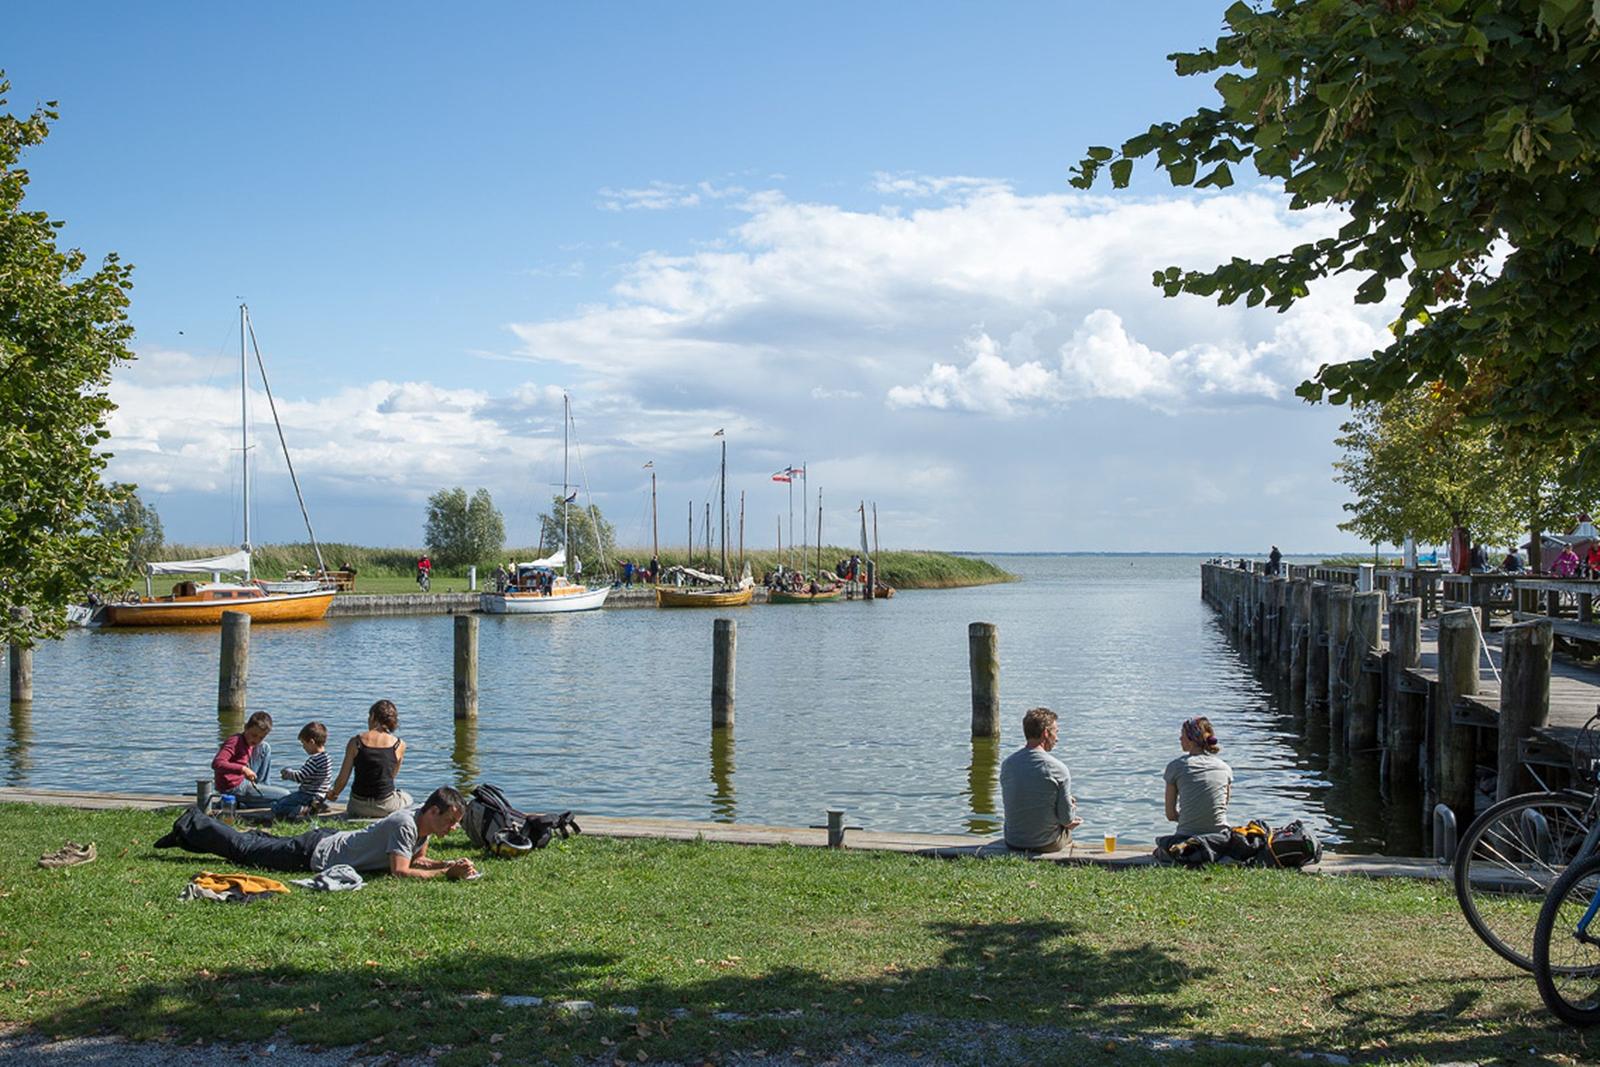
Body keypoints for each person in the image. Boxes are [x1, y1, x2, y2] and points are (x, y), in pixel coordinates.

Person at [155, 786, 477, 880]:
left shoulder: (423, 825)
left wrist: (448, 864)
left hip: (324, 841)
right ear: (433, 811)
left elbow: (418, 861)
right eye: (450, 821)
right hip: (314, 854)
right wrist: (448, 875)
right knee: (244, 851)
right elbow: (401, 871)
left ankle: (193, 833)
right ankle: (192, 823)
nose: (452, 828)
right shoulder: (405, 823)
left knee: (257, 845)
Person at [998, 707, 1081, 853]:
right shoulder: (1058, 769)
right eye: (1056, 732)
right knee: (1067, 834)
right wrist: (1070, 807)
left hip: (1013, 841)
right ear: (1046, 733)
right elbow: (1066, 820)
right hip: (1045, 843)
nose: (1057, 738)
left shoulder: (1008, 764)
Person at [326, 699, 412, 818]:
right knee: (408, 798)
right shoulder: (399, 744)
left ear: (373, 717)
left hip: (357, 806)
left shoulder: (355, 742)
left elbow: (342, 779)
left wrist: (333, 794)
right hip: (386, 807)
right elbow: (391, 776)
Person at [1160, 717, 1234, 846]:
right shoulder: (1224, 767)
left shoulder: (1176, 766)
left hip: (1186, 836)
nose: (1180, 739)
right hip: (1221, 839)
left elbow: (1170, 815)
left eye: (1182, 735)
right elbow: (1222, 807)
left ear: (1191, 740)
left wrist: (1188, 820)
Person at [213, 711, 289, 809]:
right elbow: (217, 763)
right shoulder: (234, 741)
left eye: (261, 737)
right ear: (245, 727)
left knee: (264, 747)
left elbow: (256, 748)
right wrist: (243, 769)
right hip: (233, 788)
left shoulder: (250, 742)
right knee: (285, 795)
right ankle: (246, 802)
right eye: (254, 735)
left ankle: (261, 790)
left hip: (242, 780)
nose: (256, 740)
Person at [272, 721, 332, 820]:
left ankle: (303, 810)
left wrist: (288, 773)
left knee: (277, 806)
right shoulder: (327, 758)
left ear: (311, 742)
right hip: (321, 795)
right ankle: (317, 806)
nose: (303, 747)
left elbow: (300, 777)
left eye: (304, 744)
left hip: (308, 795)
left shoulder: (314, 760)